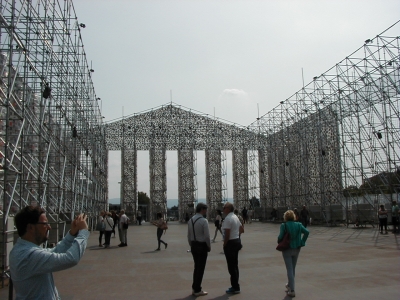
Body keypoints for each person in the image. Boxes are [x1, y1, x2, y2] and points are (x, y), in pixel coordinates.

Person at [10, 206, 89, 299]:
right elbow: (70, 258)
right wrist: (83, 232)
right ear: (30, 227)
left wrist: (72, 233)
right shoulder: (28, 255)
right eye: (45, 224)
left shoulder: (24, 249)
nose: (49, 227)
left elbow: (55, 251)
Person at [277, 210, 309, 298]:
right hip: (297, 248)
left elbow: (280, 237)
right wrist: (302, 242)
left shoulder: (284, 225)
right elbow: (307, 232)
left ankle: (292, 290)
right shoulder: (298, 225)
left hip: (287, 249)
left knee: (289, 269)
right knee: (293, 268)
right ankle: (290, 285)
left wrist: (279, 240)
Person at [187, 203, 211, 297]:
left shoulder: (190, 220)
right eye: (205, 209)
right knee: (200, 268)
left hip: (194, 246)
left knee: (196, 267)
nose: (206, 211)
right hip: (202, 246)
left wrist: (191, 244)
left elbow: (188, 235)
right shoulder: (204, 221)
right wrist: (208, 246)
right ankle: (197, 289)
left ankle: (194, 287)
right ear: (202, 209)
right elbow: (207, 236)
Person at [222, 202, 244, 294]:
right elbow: (242, 229)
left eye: (224, 207)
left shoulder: (228, 219)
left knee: (231, 266)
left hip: (230, 243)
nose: (223, 209)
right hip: (236, 241)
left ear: (228, 209)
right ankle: (236, 285)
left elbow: (227, 234)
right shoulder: (235, 217)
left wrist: (225, 244)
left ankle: (235, 287)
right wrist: (237, 236)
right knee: (235, 265)